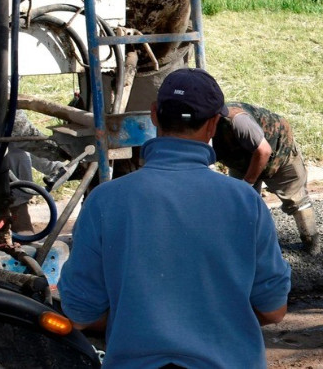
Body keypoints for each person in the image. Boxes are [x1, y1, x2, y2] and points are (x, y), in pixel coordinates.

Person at [60, 68, 291, 368]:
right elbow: (273, 310)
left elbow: (80, 312)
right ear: (212, 125)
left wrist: (139, 323)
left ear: (154, 114)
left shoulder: (104, 202)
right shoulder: (245, 202)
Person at [212, 101, 319, 254]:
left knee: (296, 198)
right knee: (241, 204)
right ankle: (249, 247)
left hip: (278, 149)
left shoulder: (237, 120)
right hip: (240, 159)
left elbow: (264, 151)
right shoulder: (194, 128)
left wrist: (248, 182)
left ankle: (311, 241)